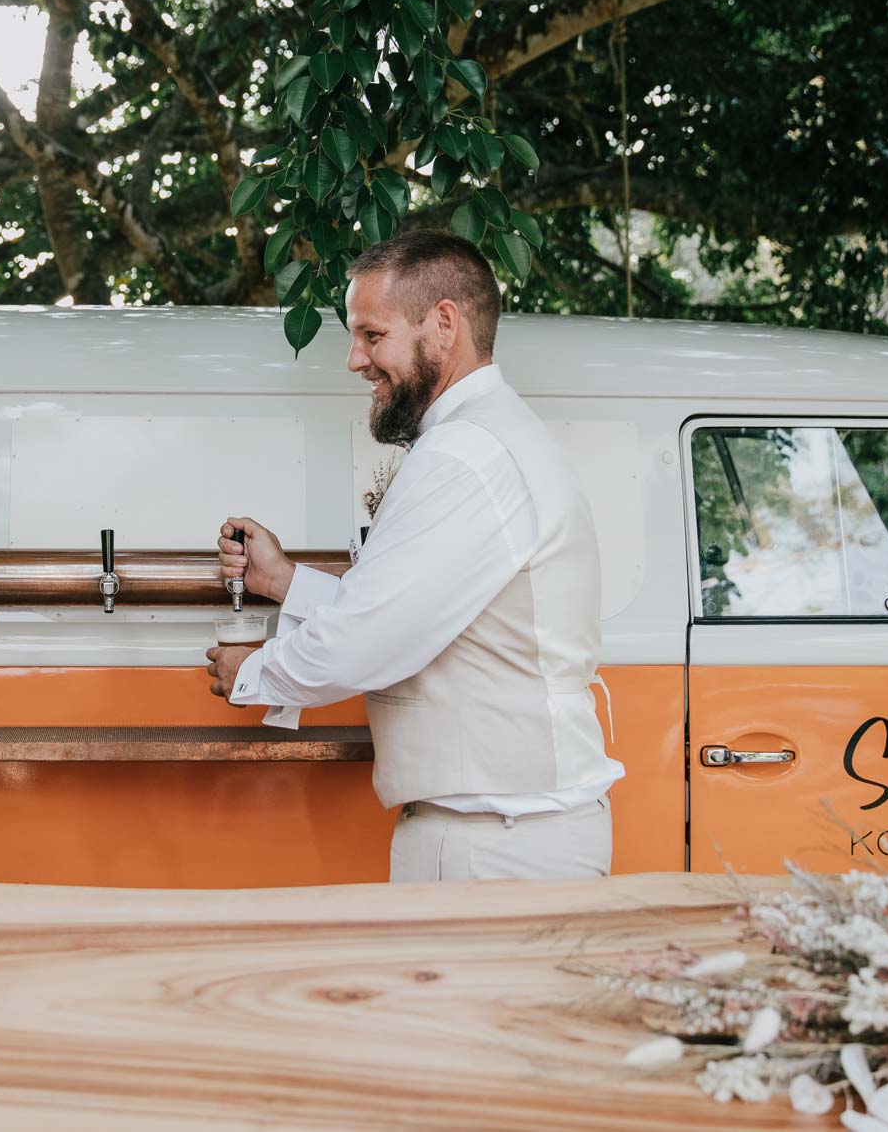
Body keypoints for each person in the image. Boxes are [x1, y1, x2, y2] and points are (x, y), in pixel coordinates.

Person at [208, 231, 622, 883]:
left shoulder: (463, 455)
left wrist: (254, 672)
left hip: (493, 846)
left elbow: (367, 640)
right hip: (512, 833)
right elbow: (413, 612)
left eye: (372, 335)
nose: (354, 359)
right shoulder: (494, 437)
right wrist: (284, 581)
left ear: (444, 324)